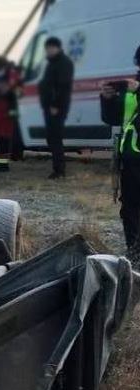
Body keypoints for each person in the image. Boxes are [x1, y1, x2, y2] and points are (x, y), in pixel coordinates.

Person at [100, 45, 140, 260]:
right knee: (130, 208)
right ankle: (134, 252)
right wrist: (106, 99)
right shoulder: (132, 88)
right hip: (131, 158)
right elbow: (113, 119)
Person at [39, 37, 74, 179]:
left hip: (56, 107)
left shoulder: (63, 63)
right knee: (52, 138)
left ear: (58, 48)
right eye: (47, 48)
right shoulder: (52, 63)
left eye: (51, 48)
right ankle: (58, 168)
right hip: (50, 107)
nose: (48, 51)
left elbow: (62, 86)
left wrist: (55, 104)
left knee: (55, 138)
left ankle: (59, 170)